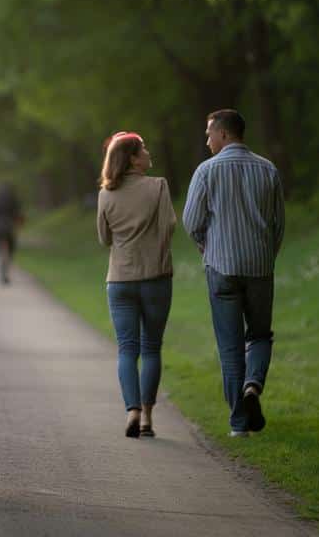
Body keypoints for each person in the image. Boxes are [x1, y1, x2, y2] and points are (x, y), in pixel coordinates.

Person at [182, 109, 285, 438]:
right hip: (259, 267)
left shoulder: (206, 171)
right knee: (259, 335)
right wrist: (266, 255)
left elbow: (191, 221)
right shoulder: (268, 169)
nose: (207, 140)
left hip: (221, 268)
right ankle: (252, 386)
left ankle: (239, 424)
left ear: (224, 134)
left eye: (210, 134)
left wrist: (206, 246)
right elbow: (278, 224)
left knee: (229, 347)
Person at [96, 131, 176, 438]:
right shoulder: (158, 187)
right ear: (132, 157)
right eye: (143, 149)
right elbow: (168, 226)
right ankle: (148, 419)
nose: (148, 153)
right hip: (155, 277)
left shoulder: (106, 194)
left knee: (127, 349)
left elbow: (104, 239)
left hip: (120, 279)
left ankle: (132, 410)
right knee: (152, 347)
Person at [0, 183, 23, 284]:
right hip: (9, 228)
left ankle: (1, 266)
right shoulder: (13, 199)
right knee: (10, 250)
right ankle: (6, 267)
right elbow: (18, 214)